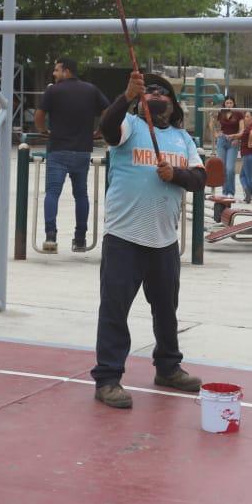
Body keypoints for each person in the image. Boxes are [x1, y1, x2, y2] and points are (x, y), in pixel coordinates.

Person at [91, 72, 207, 409]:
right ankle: (108, 378)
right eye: (149, 91)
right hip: (124, 238)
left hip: (164, 241)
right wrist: (125, 96)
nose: (156, 95)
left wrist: (177, 175)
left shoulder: (183, 139)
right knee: (115, 310)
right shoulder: (129, 124)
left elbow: (199, 178)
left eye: (163, 92)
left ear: (173, 105)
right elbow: (109, 128)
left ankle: (168, 368)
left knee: (166, 311)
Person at [33, 58, 109, 252]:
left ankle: (51, 236)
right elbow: (108, 111)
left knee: (52, 193)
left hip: (58, 149)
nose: (54, 74)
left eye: (57, 70)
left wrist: (43, 131)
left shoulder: (53, 91)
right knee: (81, 195)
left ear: (66, 71)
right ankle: (80, 239)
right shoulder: (91, 90)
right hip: (82, 150)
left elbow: (39, 115)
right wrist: (101, 131)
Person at [213, 96, 243, 195]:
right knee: (222, 167)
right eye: (227, 103)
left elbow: (242, 130)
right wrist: (216, 134)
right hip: (222, 140)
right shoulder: (221, 112)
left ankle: (230, 192)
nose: (229, 105)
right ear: (224, 104)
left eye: (230, 103)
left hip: (233, 141)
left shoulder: (238, 114)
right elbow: (212, 124)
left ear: (234, 104)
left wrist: (237, 137)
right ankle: (224, 191)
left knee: (230, 168)